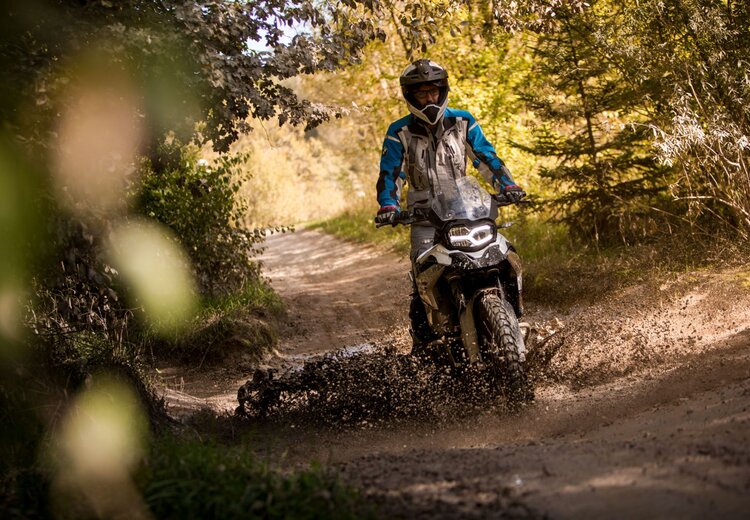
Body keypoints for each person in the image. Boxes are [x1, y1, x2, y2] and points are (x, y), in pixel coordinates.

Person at [374, 58, 526, 351]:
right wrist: (388, 206)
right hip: (423, 218)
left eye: (433, 91)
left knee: (500, 255)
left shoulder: (462, 121)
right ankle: (425, 346)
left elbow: (486, 158)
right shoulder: (399, 132)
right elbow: (391, 174)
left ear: (442, 90)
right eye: (422, 93)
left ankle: (513, 318)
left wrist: (508, 185)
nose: (429, 98)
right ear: (410, 96)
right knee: (424, 280)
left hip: (466, 209)